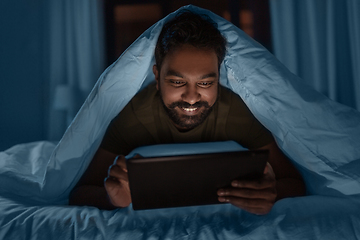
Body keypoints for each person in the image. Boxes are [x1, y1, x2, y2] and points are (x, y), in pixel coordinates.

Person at [69, 11, 305, 215]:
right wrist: (112, 199)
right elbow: (80, 192)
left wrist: (270, 193)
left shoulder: (238, 113)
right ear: (157, 78)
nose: (192, 98)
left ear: (218, 79)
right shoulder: (133, 117)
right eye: (177, 82)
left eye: (205, 84)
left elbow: (294, 182)